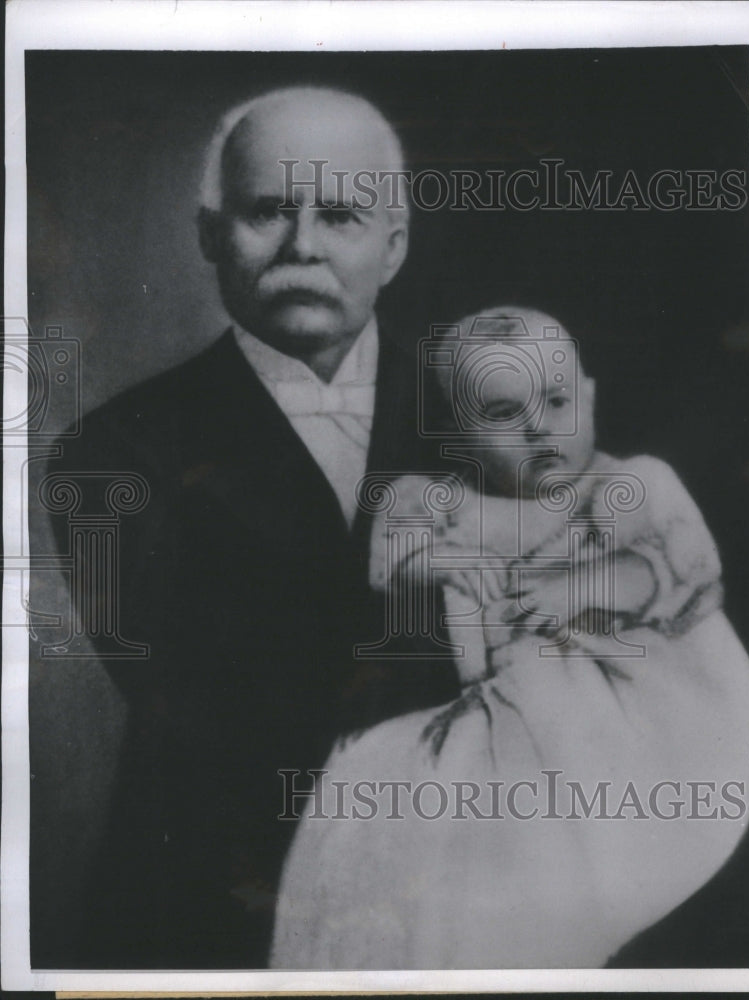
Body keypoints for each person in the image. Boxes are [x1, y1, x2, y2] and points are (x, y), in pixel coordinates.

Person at [37, 87, 459, 968]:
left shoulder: (484, 413)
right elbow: (201, 706)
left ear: (396, 246)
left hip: (468, 881)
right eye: (269, 211)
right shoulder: (111, 454)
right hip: (217, 902)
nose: (303, 246)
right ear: (208, 237)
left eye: (340, 215)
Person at [269, 306, 749, 969]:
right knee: (379, 796)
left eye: (557, 401)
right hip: (512, 708)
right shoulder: (444, 502)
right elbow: (390, 564)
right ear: (459, 434)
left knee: (571, 830)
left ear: (588, 396)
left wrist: (578, 590)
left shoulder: (625, 485)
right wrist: (448, 564)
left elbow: (672, 572)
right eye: (502, 414)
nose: (538, 428)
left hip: (651, 706)